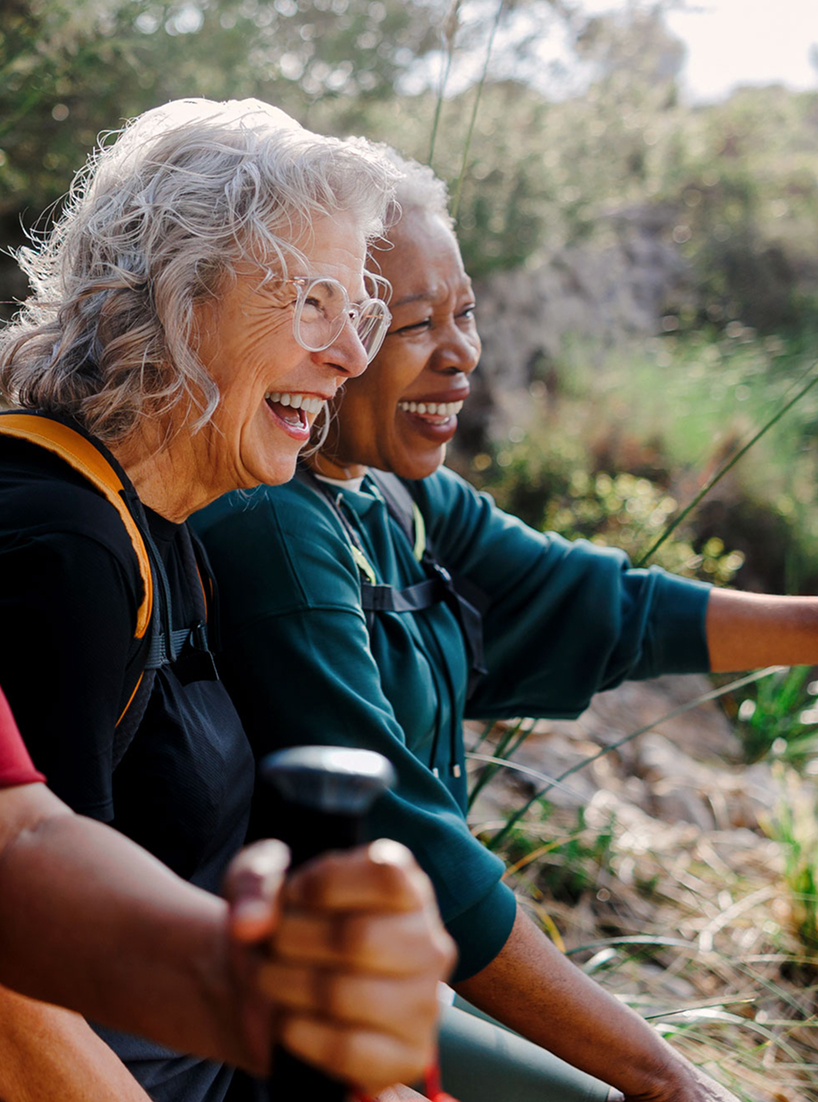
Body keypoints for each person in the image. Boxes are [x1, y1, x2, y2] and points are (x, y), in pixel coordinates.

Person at [194, 151, 818, 1102]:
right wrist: (668, 1079)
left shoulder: (392, 492)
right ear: (326, 334)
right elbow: (410, 843)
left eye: (466, 313)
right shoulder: (270, 526)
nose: (461, 354)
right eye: (415, 325)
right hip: (299, 1011)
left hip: (413, 976)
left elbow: (594, 603)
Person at [0, 100, 456, 1102]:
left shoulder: (165, 531)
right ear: (177, 296)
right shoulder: (49, 548)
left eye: (357, 314)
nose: (350, 356)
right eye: (313, 302)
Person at [0, 393, 452, 1102]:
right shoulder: (58, 536)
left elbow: (0, 845)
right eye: (310, 318)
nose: (349, 360)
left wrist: (263, 981)